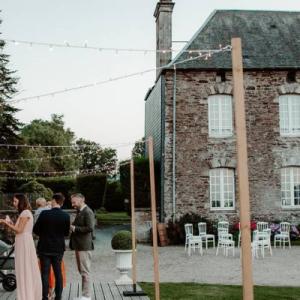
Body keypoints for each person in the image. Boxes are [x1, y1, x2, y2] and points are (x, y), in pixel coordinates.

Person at [0, 193, 42, 300]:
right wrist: (10, 223)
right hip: (21, 241)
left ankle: (27, 295)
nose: (14, 204)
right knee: (22, 267)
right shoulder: (24, 213)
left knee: (25, 267)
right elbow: (17, 231)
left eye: (15, 201)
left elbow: (19, 230)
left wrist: (5, 222)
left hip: (24, 242)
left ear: (21, 201)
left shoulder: (25, 213)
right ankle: (26, 294)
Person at [33, 193, 70, 300]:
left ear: (54, 201)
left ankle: (44, 297)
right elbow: (66, 233)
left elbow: (36, 230)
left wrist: (44, 234)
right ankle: (58, 297)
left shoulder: (44, 214)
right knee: (58, 273)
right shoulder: (66, 216)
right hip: (58, 248)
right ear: (61, 203)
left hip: (44, 247)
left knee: (45, 273)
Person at [70, 193, 95, 300]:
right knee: (82, 271)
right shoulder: (80, 211)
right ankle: (84, 295)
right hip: (79, 245)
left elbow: (90, 228)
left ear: (82, 200)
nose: (72, 204)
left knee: (85, 271)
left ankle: (87, 296)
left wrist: (74, 228)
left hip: (84, 246)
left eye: (74, 202)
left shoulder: (88, 211)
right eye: (72, 202)